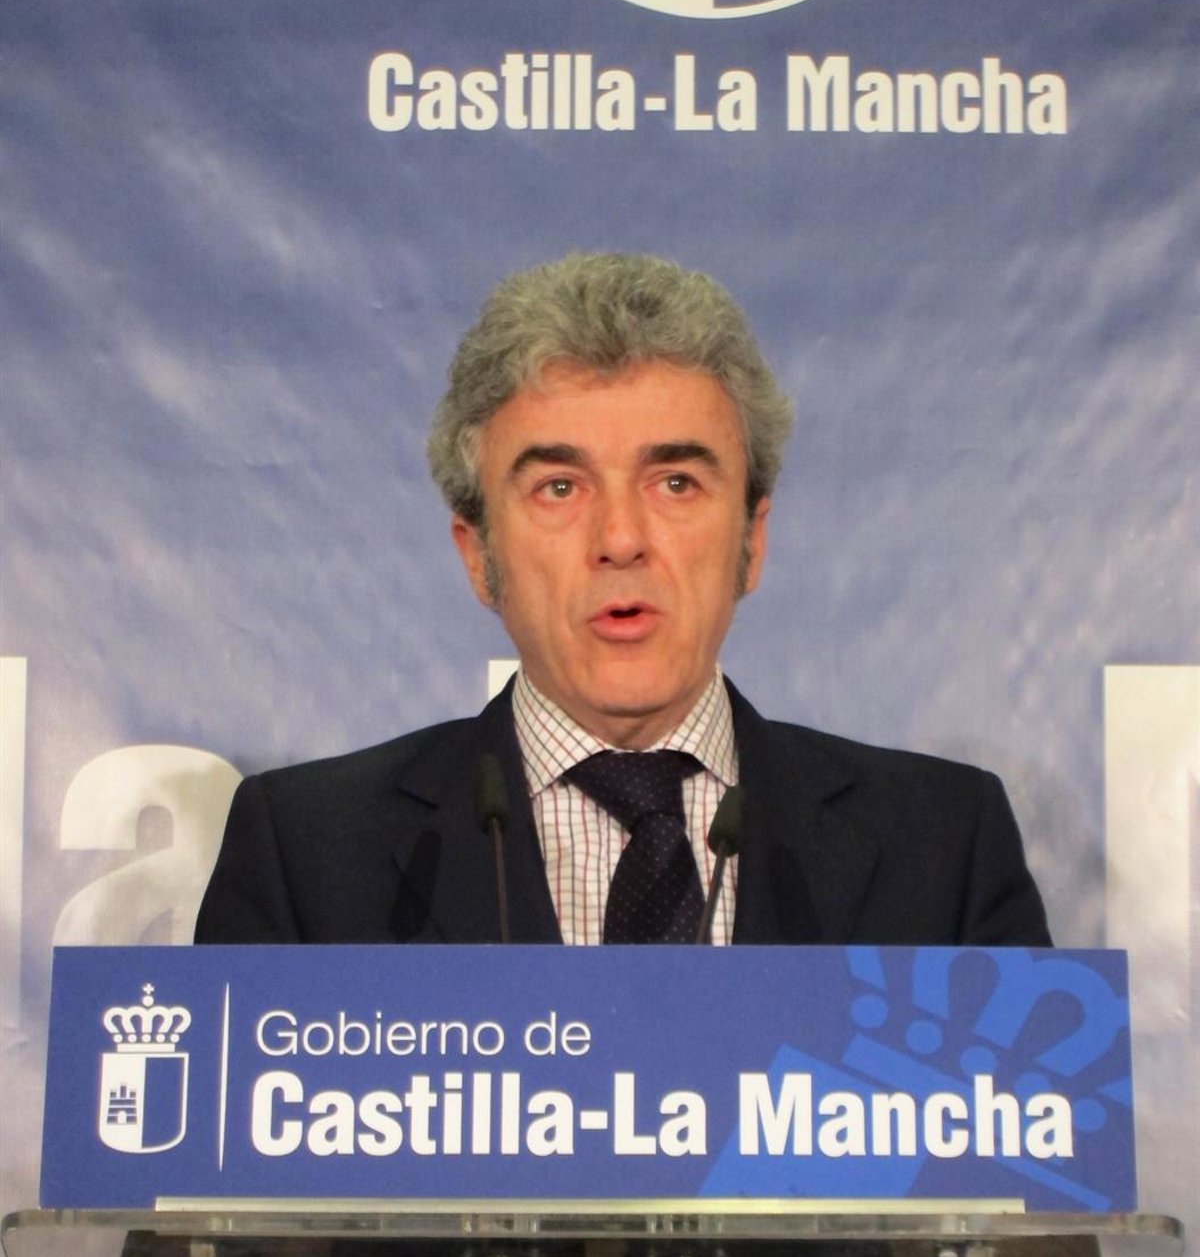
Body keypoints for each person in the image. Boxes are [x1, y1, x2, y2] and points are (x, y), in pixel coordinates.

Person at [196, 251, 1049, 949]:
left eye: (675, 481)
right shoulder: (307, 855)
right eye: (559, 487)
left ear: (752, 540)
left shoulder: (943, 848)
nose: (621, 538)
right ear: (478, 556)